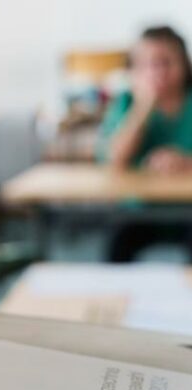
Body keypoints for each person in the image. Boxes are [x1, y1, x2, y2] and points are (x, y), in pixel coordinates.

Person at [97, 26, 192, 262]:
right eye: (147, 64)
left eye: (166, 62)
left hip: (188, 209)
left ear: (184, 64)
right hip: (138, 210)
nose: (157, 72)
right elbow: (114, 160)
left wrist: (186, 162)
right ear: (134, 69)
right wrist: (143, 107)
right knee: (117, 243)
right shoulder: (126, 102)